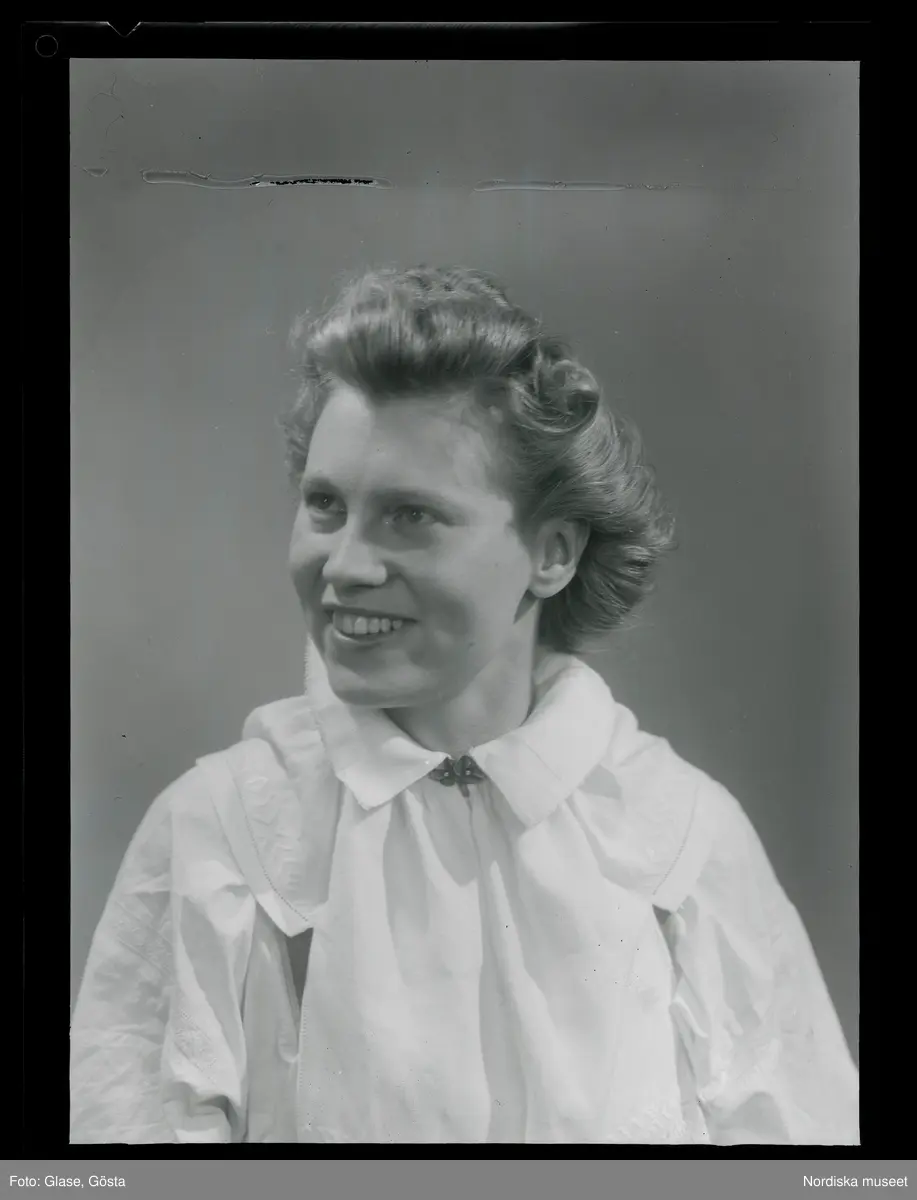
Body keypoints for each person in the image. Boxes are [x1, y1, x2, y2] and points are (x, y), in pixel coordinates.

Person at [69, 265, 859, 1145]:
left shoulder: (680, 837)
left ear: (552, 553)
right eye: (325, 506)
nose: (344, 565)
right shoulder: (222, 831)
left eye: (409, 515)